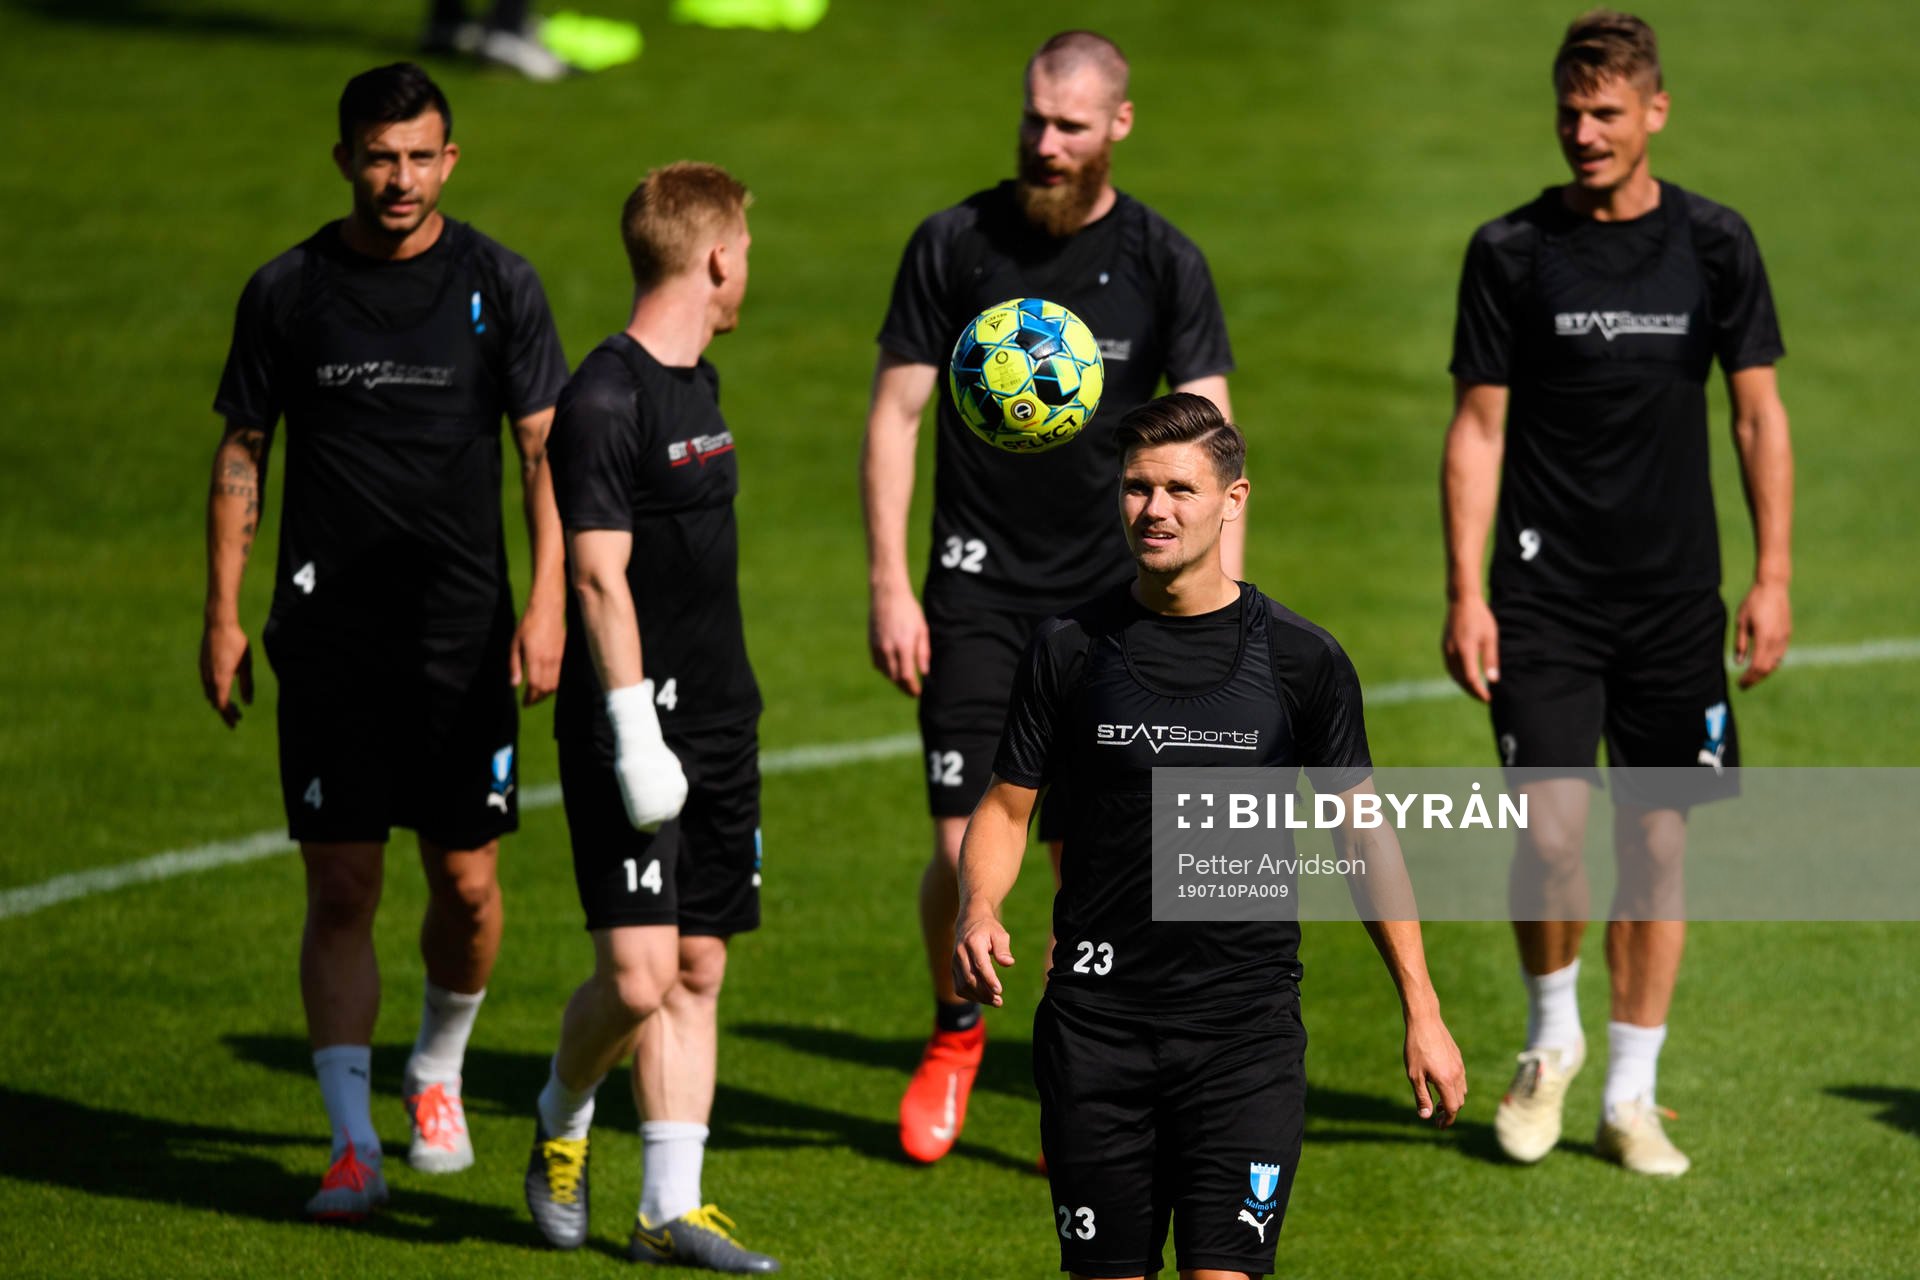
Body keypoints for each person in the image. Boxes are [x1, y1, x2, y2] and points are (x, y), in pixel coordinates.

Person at [955, 393, 1466, 1280]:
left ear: (1233, 501)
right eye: (1137, 488)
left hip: (1245, 1036)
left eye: (1181, 490)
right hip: (1097, 1031)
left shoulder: (1303, 661)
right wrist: (978, 905)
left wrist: (1421, 1009)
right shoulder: (1070, 649)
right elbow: (1005, 810)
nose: (1155, 510)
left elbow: (1364, 839)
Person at [862, 28, 1239, 1165]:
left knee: (1102, 856)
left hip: (1111, 602)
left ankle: (1090, 1067)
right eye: (1034, 117)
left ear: (1118, 126)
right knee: (961, 839)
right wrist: (891, 581)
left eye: (1070, 124)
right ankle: (958, 1028)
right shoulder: (954, 245)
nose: (1045, 140)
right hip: (973, 592)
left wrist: (1217, 607)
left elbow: (1215, 443)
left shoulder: (1165, 262)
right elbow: (894, 416)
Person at [201, 63, 570, 1220]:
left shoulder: (499, 284)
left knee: (465, 885)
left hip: (463, 635)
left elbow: (543, 453)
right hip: (328, 635)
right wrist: (221, 610)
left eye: (418, 155)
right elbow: (242, 455)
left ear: (448, 162)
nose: (398, 177)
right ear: (344, 159)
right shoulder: (289, 291)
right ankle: (352, 1139)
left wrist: (548, 598)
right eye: (378, 154)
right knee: (343, 879)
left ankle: (438, 1070)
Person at [1441, 9, 1793, 1176]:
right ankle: (1552, 1043)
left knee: (1658, 845)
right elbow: (1478, 429)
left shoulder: (1715, 243)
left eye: (1606, 112)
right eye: (1568, 112)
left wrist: (1773, 573)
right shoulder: (1509, 251)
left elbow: (1755, 413)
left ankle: (1632, 1096)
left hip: (1675, 600)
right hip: (1543, 595)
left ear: (1654, 111)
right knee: (1550, 832)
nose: (1583, 132)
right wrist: (1464, 589)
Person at [521, 162, 778, 1273]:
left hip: (722, 719)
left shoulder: (700, 385)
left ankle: (670, 1205)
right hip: (634, 727)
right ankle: (560, 1116)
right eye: (747, 252)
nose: (747, 271)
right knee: (636, 975)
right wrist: (635, 733)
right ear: (718, 255)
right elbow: (596, 580)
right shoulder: (604, 400)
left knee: (702, 966)